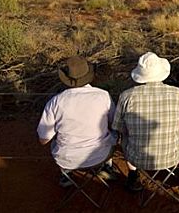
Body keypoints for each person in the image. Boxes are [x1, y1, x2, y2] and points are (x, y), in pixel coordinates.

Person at [112, 52, 179, 192]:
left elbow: (118, 127)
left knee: (124, 133)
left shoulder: (126, 96)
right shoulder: (177, 93)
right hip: (173, 156)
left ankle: (133, 175)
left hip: (136, 157)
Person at [37, 56, 118, 187]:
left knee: (55, 140)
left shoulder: (56, 101)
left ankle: (66, 174)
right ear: (88, 75)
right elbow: (115, 123)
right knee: (112, 133)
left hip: (67, 158)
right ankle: (106, 167)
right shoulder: (103, 95)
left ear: (67, 78)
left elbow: (43, 139)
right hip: (100, 155)